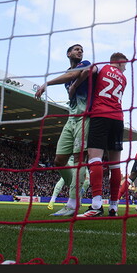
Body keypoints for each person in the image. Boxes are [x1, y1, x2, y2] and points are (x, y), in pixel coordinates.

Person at [35, 43, 93, 216]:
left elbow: (75, 75)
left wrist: (47, 83)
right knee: (59, 160)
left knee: (79, 159)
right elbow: (70, 77)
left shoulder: (85, 64)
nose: (80, 51)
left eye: (81, 50)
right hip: (71, 119)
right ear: (68, 54)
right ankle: (77, 190)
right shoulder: (67, 75)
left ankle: (73, 203)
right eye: (76, 49)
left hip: (84, 117)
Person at [79, 52, 131, 218]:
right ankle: (114, 207)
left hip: (100, 115)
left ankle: (96, 205)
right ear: (120, 62)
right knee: (115, 165)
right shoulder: (124, 79)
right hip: (118, 119)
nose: (125, 68)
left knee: (95, 158)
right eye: (125, 65)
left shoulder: (102, 66)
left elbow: (86, 72)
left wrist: (77, 85)